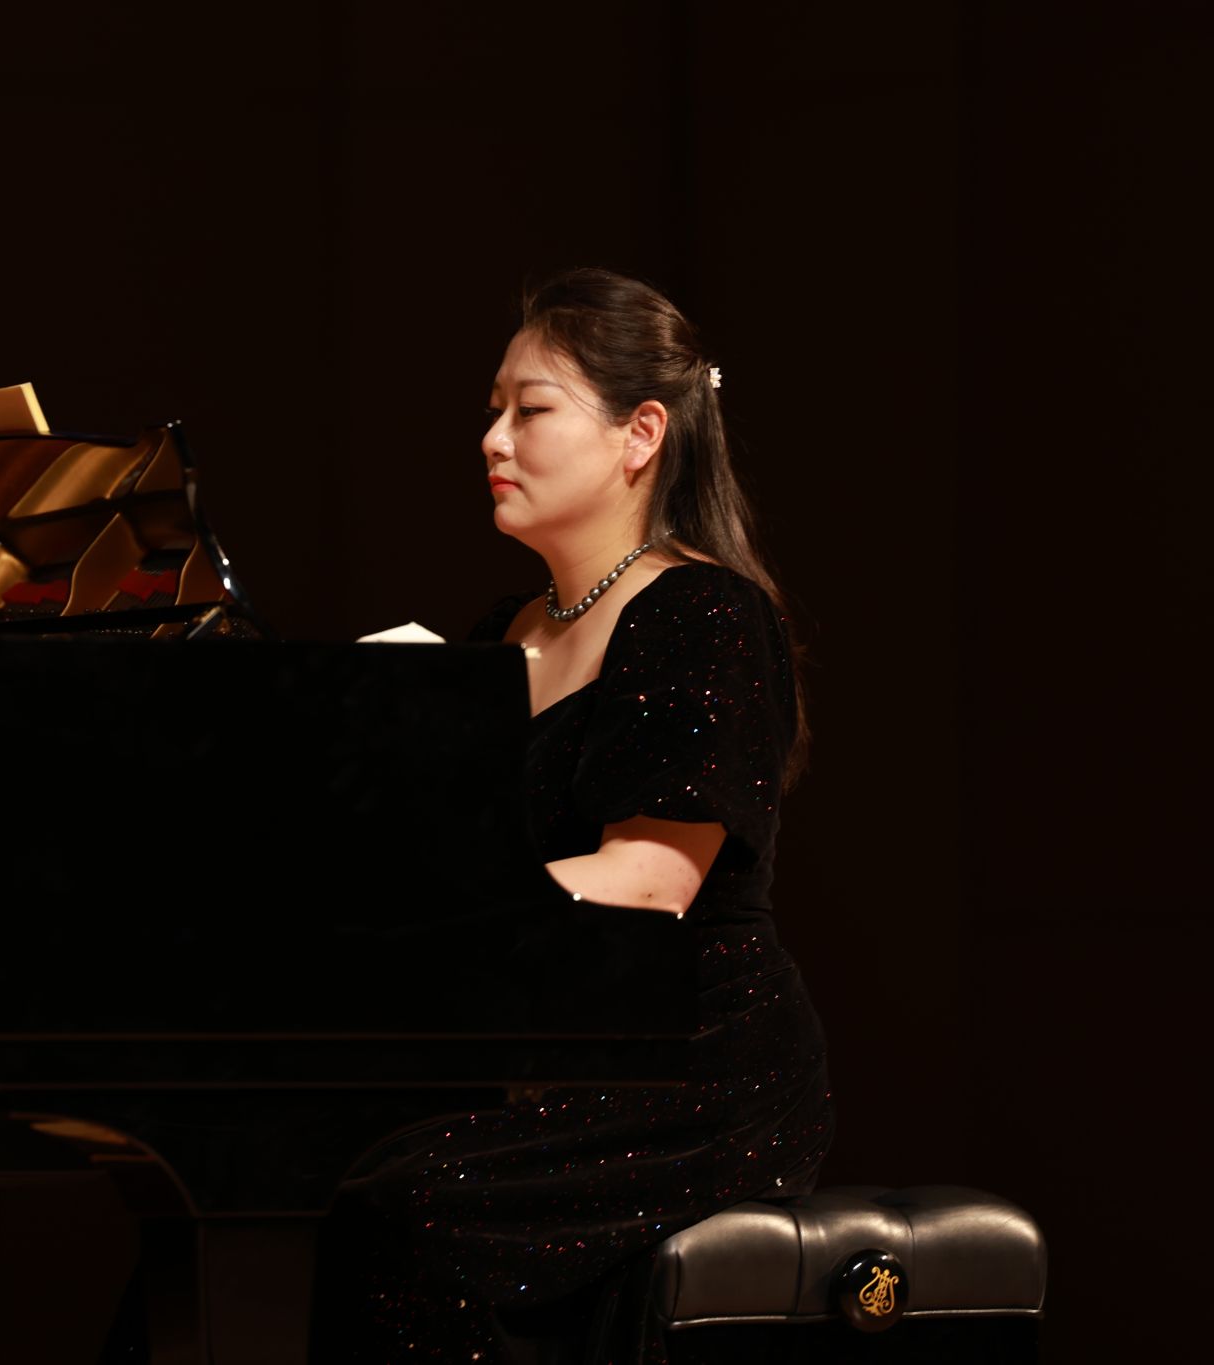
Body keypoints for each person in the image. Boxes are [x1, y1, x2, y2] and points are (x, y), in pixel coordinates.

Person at [306, 269, 836, 1363]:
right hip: (554, 1047)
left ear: (640, 434)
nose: (492, 439)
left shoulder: (703, 613)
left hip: (692, 1067)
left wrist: (430, 922)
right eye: (491, 408)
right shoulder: (501, 635)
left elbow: (649, 879)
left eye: (530, 409)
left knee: (404, 1213)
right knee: (275, 1184)